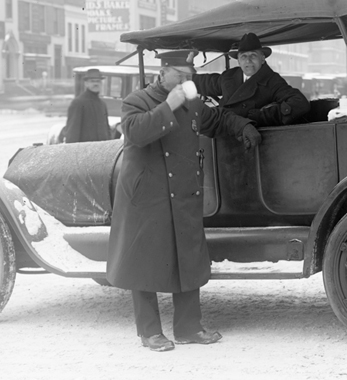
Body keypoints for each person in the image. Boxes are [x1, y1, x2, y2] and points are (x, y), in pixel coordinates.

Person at [106, 50, 261, 352]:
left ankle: (189, 329)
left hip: (184, 195)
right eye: (181, 75)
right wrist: (169, 106)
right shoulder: (137, 100)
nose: (186, 81)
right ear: (162, 73)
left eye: (189, 77)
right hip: (147, 198)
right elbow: (137, 134)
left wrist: (243, 126)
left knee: (188, 260)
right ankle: (149, 332)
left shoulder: (193, 104)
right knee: (145, 262)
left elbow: (217, 118)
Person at [193, 32, 309, 126]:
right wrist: (182, 75)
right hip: (222, 134)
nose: (248, 61)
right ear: (238, 60)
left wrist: (260, 116)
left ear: (262, 58)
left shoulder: (272, 81)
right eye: (243, 56)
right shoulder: (229, 76)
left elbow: (300, 103)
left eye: (253, 55)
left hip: (251, 140)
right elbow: (203, 83)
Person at [62, 68, 111, 143]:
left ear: (101, 83)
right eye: (92, 81)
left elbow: (107, 130)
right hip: (84, 151)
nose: (96, 84)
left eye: (98, 81)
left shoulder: (102, 104)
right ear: (86, 83)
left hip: (101, 151)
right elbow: (72, 131)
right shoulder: (78, 103)